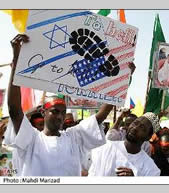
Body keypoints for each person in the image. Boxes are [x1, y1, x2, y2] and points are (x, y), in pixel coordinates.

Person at [5, 34, 114, 176]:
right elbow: (14, 109)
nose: (60, 117)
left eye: (63, 112)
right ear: (43, 112)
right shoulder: (31, 139)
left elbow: (100, 116)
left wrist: (120, 84)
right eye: (55, 111)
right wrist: (17, 61)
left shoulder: (73, 138)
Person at [88, 112, 161, 176]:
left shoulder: (151, 169)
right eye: (135, 123)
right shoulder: (107, 147)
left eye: (142, 128)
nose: (135, 128)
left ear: (148, 137)